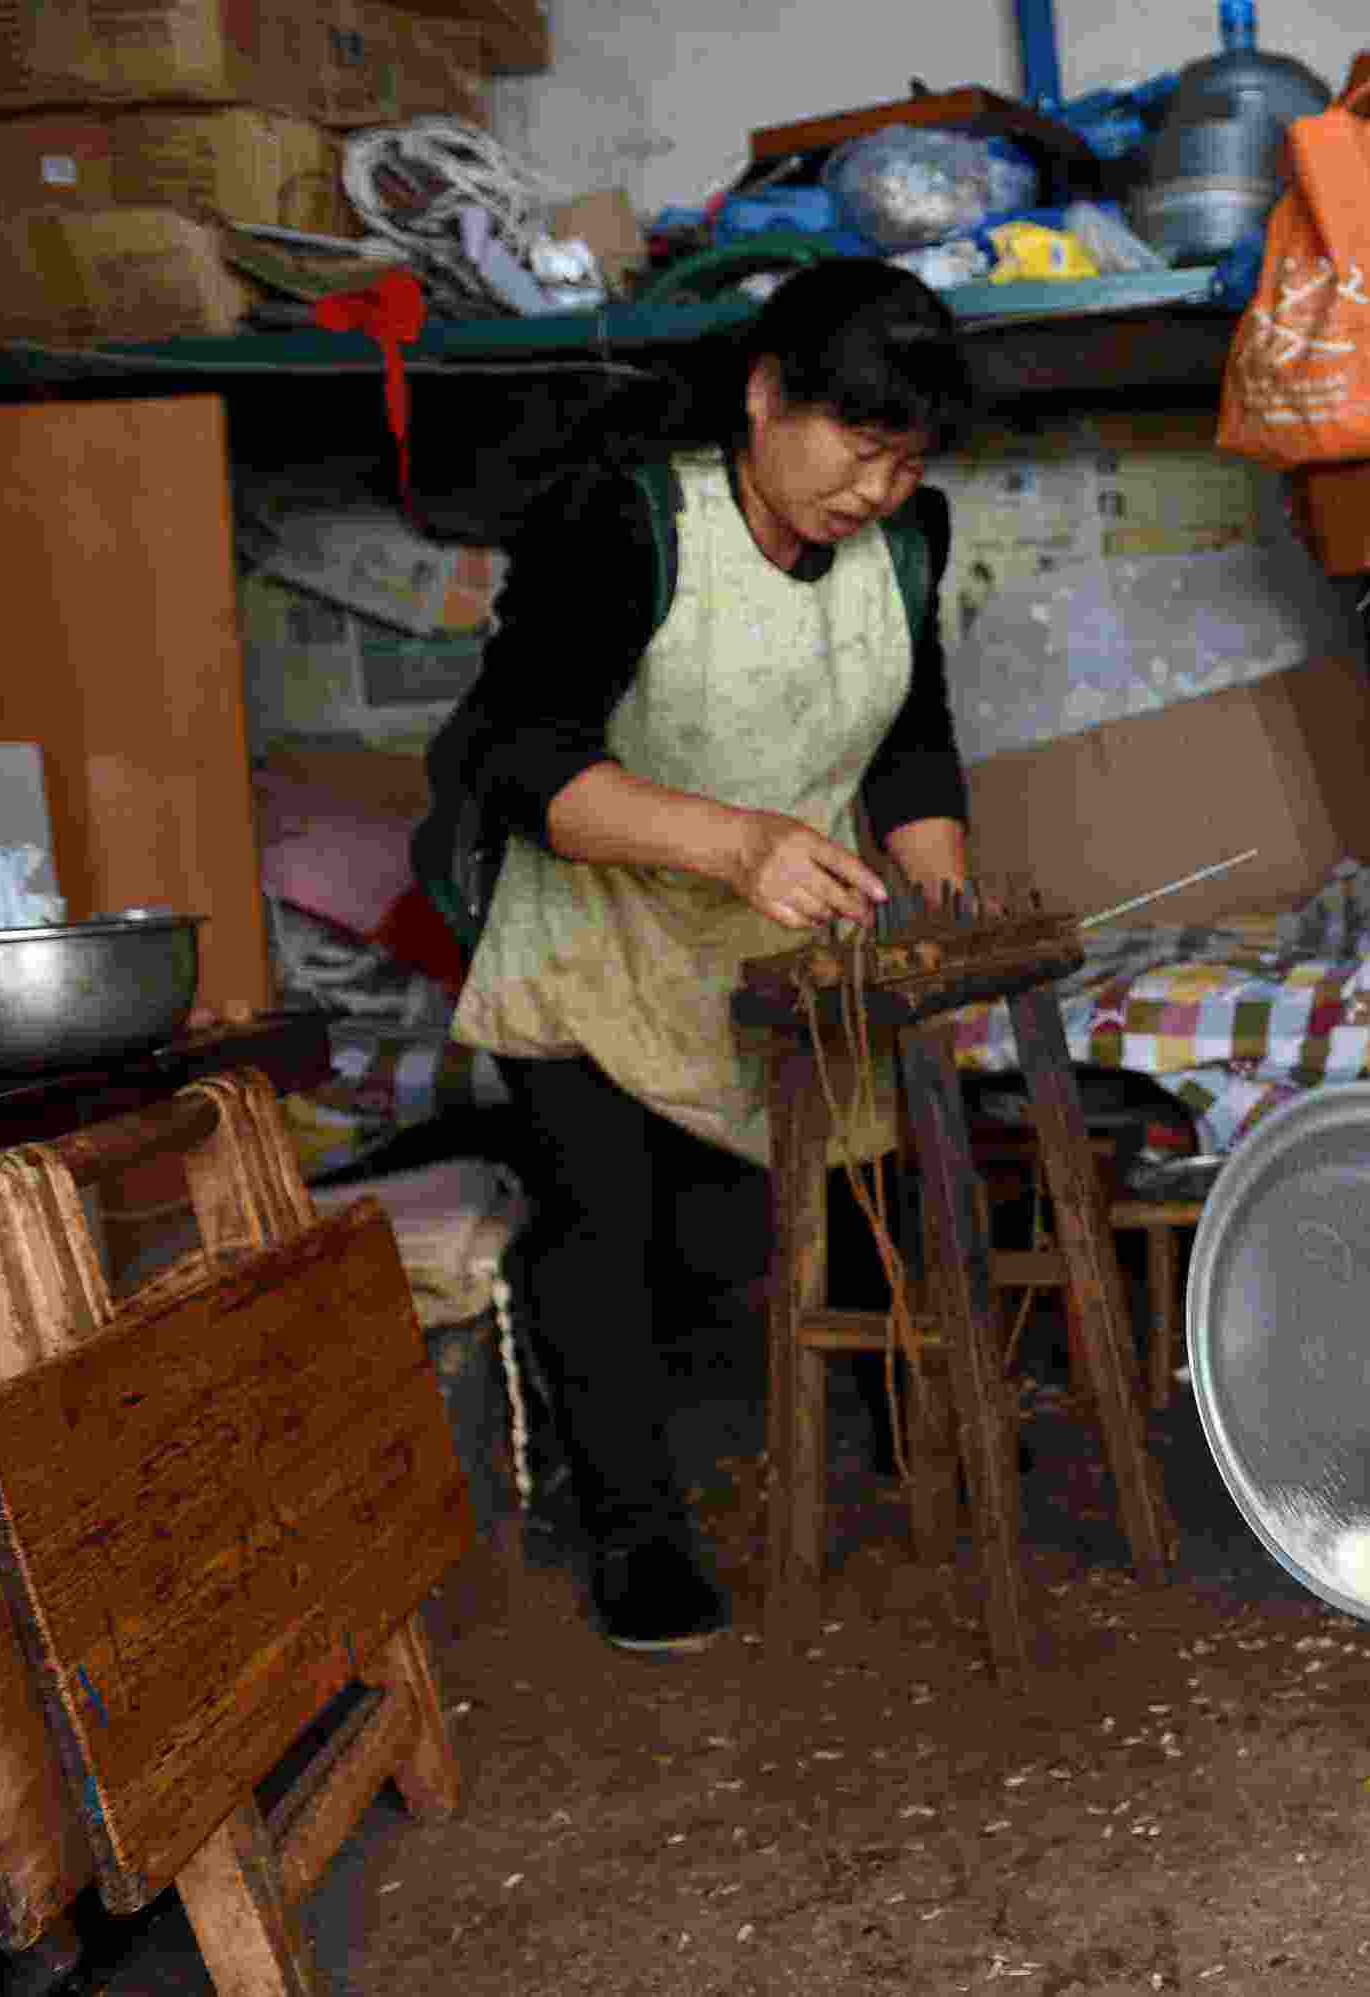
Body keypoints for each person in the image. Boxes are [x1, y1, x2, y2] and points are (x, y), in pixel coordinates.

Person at [416, 259, 976, 1653]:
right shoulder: (630, 519)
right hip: (603, 935)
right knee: (608, 1241)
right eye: (860, 446)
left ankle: (919, 1438)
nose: (881, 491)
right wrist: (736, 846)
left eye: (910, 460)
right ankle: (635, 1535)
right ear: (765, 392)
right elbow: (525, 759)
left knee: (865, 1186)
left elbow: (908, 742)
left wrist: (943, 889)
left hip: (788, 937)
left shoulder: (912, 541)